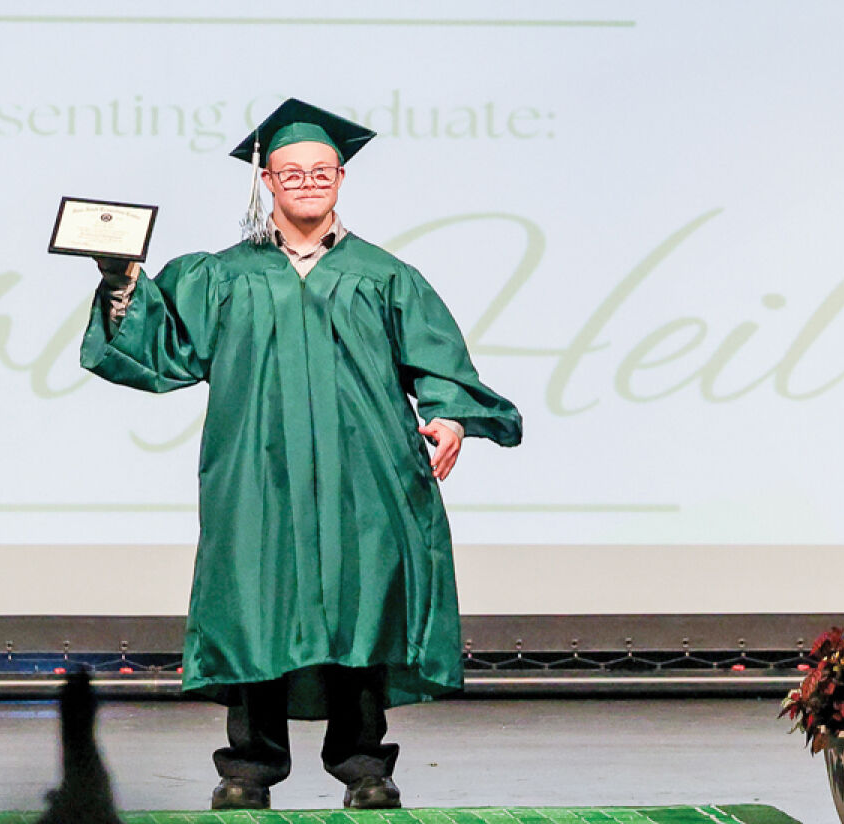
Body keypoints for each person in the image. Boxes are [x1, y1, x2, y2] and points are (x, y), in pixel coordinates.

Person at [79, 98, 522, 810]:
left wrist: (449, 419)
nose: (307, 181)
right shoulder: (221, 276)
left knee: (363, 611)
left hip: (366, 475)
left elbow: (437, 363)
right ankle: (248, 768)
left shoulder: (384, 275)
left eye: (321, 171)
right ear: (267, 182)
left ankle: (364, 766)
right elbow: (161, 353)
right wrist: (123, 280)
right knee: (254, 606)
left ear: (341, 178)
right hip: (258, 473)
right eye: (292, 172)